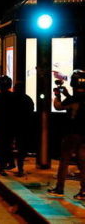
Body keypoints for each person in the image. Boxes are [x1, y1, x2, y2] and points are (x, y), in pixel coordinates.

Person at [48, 70, 85, 199]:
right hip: (84, 134)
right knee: (83, 163)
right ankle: (83, 191)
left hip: (72, 133)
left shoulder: (73, 99)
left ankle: (59, 188)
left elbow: (59, 106)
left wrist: (57, 95)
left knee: (64, 161)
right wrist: (67, 94)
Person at [0, 75, 16, 176]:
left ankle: (1, 166)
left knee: (0, 145)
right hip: (10, 124)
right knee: (8, 144)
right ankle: (11, 162)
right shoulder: (13, 96)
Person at [12, 82, 34, 177]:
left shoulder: (12, 99)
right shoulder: (28, 99)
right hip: (25, 126)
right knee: (22, 148)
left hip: (14, 126)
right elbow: (31, 111)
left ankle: (13, 165)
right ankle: (20, 168)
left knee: (13, 145)